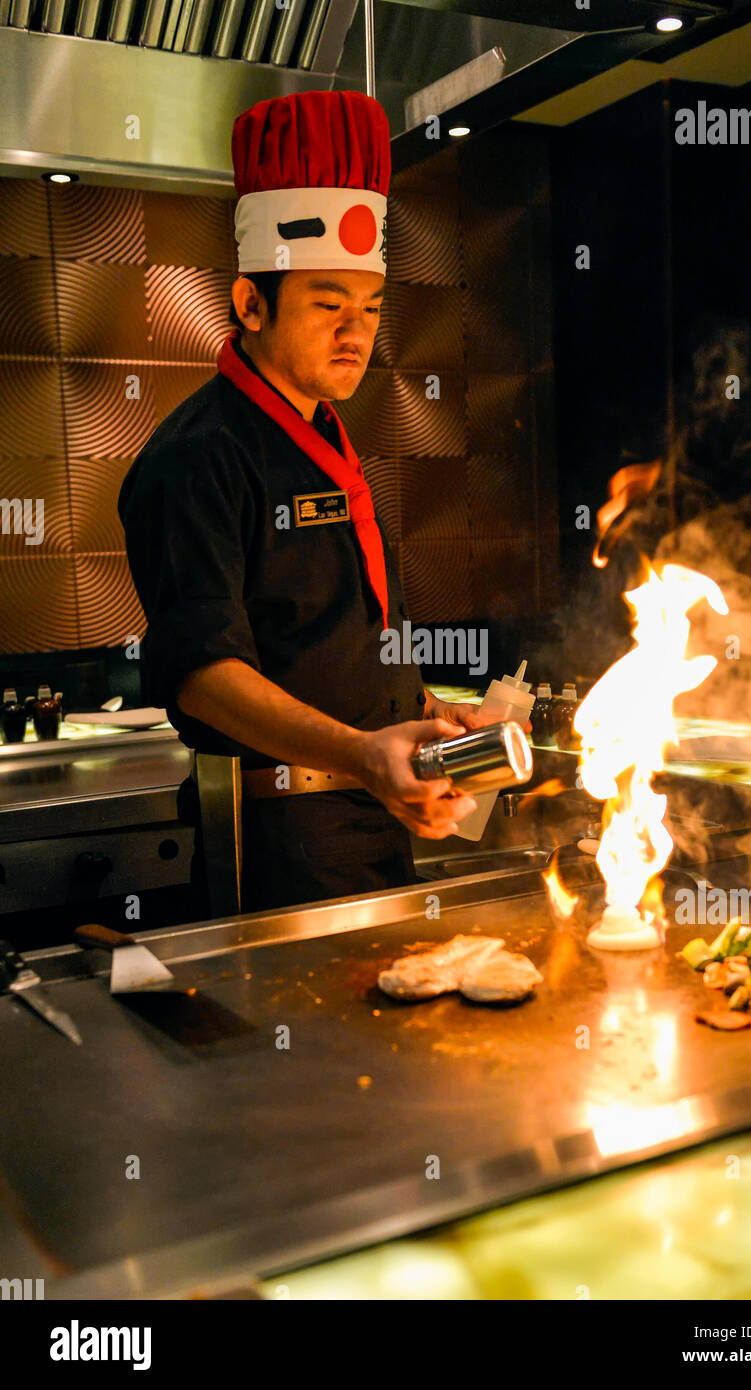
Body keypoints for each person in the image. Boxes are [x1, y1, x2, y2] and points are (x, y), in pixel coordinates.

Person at [119, 90, 490, 912]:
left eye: (369, 310)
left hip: (366, 818)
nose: (357, 334)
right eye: (328, 306)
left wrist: (427, 712)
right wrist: (362, 752)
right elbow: (203, 675)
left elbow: (326, 636)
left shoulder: (320, 438)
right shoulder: (198, 456)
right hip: (278, 837)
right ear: (250, 304)